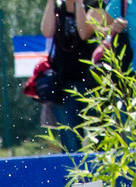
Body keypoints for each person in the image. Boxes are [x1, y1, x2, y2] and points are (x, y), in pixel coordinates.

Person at [41, 0, 99, 153]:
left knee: (98, 137)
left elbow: (84, 33)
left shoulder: (94, 7)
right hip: (64, 84)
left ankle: (102, 175)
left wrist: (78, 4)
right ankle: (74, 176)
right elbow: (47, 32)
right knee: (70, 141)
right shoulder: (58, 9)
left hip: (93, 84)